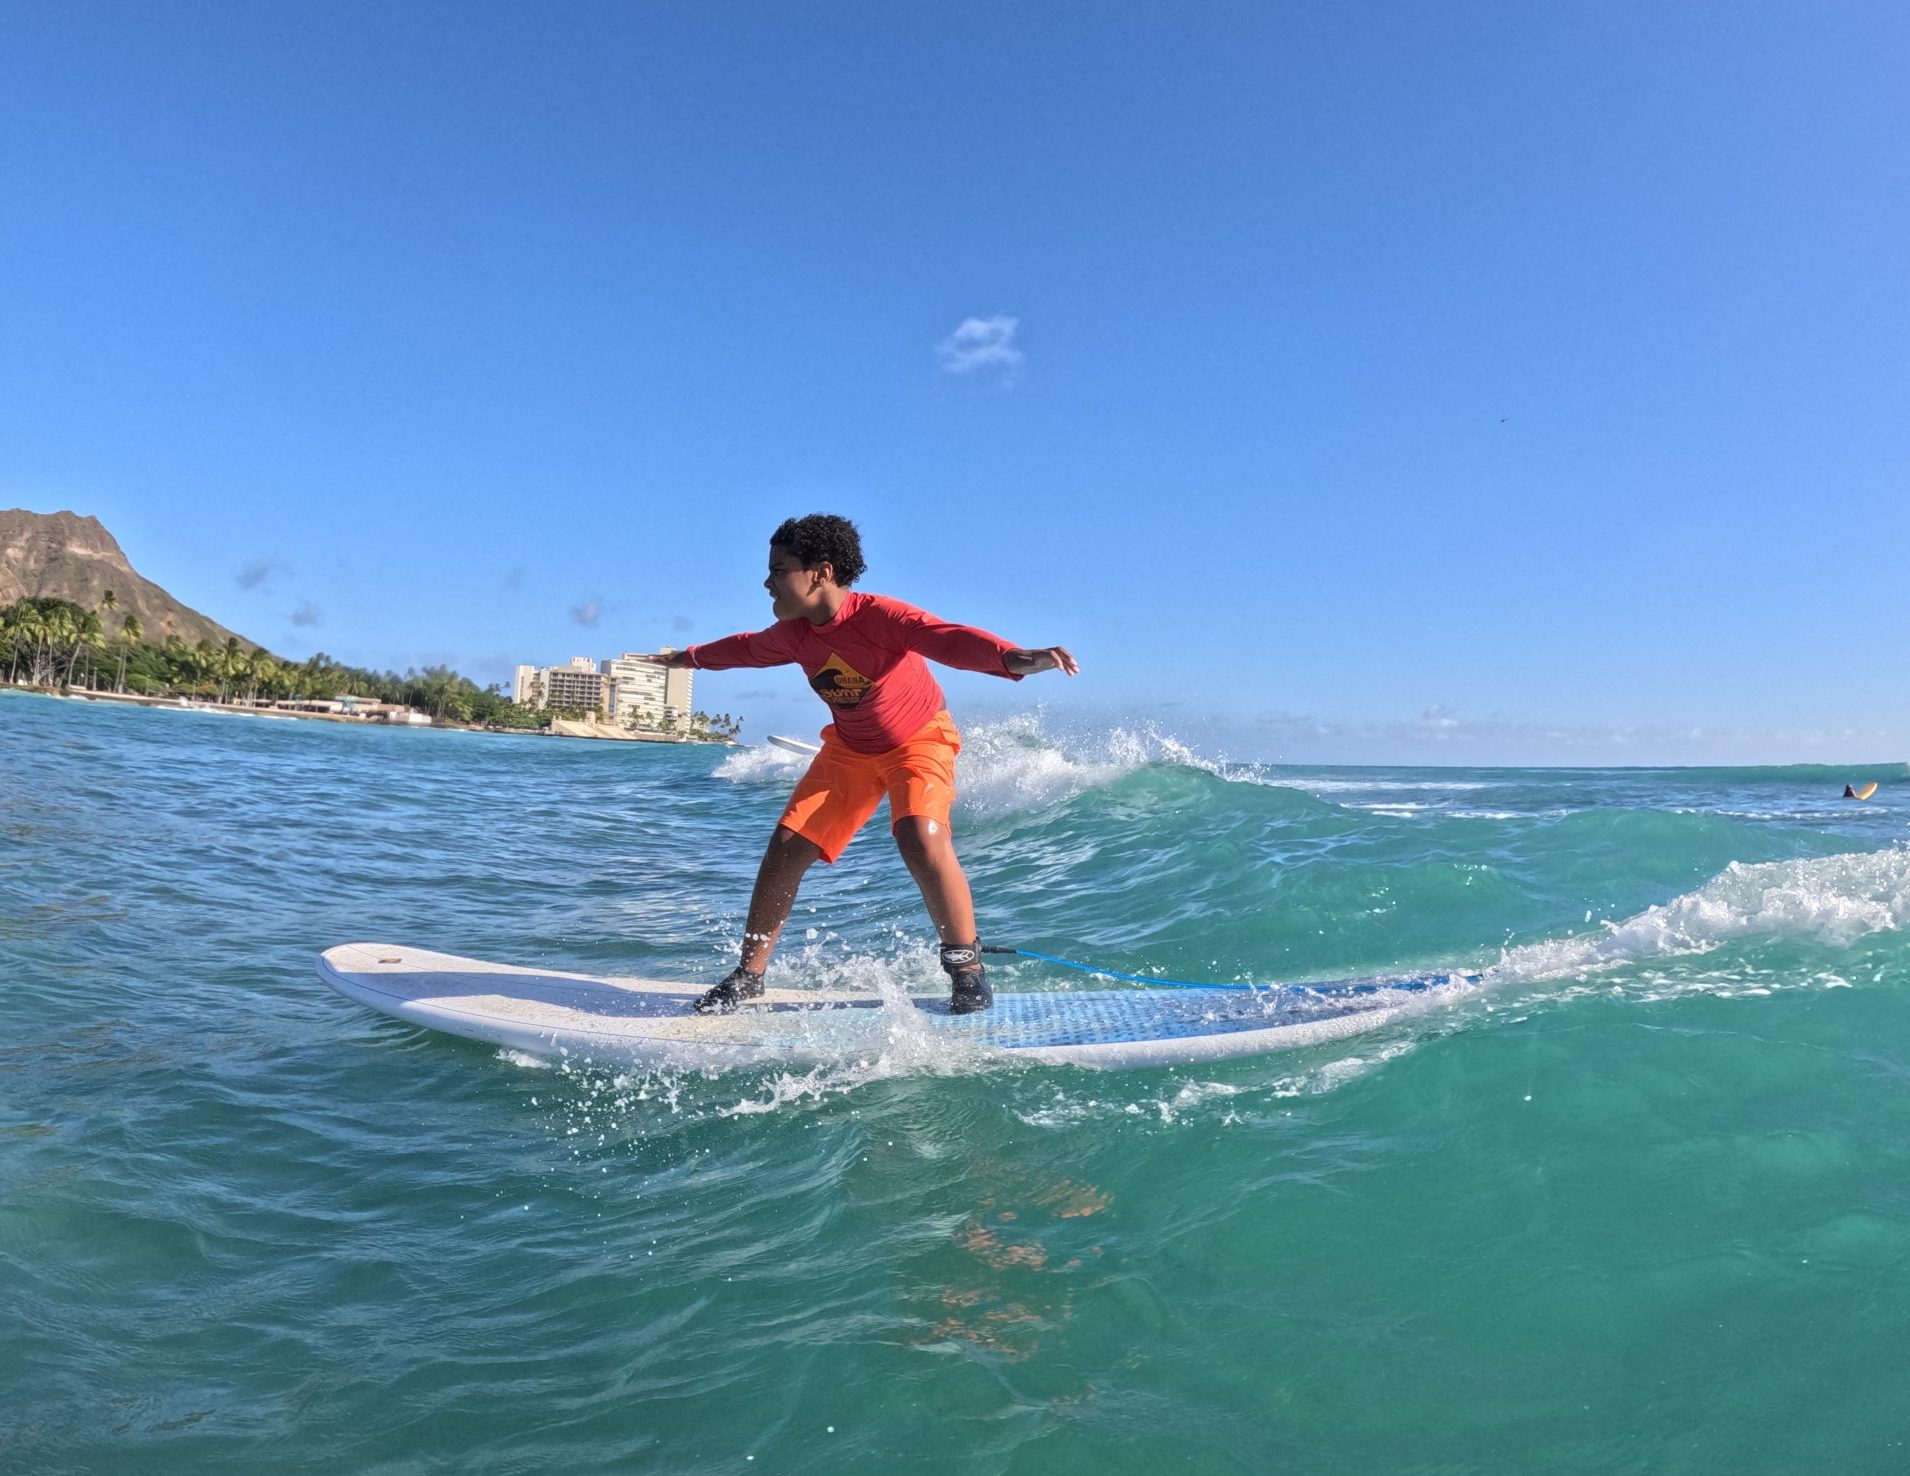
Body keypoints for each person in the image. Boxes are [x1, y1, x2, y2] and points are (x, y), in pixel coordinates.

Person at [644, 514, 1076, 1015]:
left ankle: (966, 968)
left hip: (920, 740)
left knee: (919, 834)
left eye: (779, 569)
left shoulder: (880, 618)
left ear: (821, 573)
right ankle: (749, 975)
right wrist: (686, 658)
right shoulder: (793, 634)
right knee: (785, 849)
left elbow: (948, 639)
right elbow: (746, 649)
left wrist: (1015, 659)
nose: (767, 582)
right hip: (849, 750)